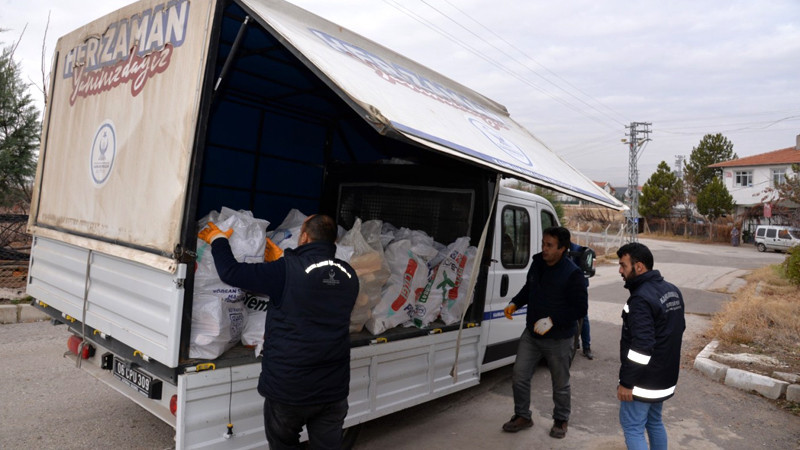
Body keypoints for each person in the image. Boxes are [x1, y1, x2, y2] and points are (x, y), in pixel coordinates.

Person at [198, 214, 359, 449]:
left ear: (303, 236)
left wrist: (219, 240)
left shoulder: (286, 271)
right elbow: (316, 294)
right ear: (333, 240)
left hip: (289, 389)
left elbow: (231, 272)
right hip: (333, 389)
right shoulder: (348, 275)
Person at [501, 226, 588, 439]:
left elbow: (580, 309)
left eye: (549, 245)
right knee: (519, 375)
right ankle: (523, 416)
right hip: (532, 334)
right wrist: (515, 303)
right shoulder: (538, 262)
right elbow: (529, 288)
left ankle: (560, 420)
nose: (544, 249)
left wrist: (553, 321)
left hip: (559, 338)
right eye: (543, 244)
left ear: (562, 249)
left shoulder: (573, 274)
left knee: (560, 383)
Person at [616, 242, 685, 450]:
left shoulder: (640, 299)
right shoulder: (672, 291)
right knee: (654, 422)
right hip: (664, 377)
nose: (620, 271)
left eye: (623, 265)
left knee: (633, 427)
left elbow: (642, 346)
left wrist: (627, 382)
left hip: (642, 381)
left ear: (639, 267)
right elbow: (678, 330)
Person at [569, 241, 593, 360]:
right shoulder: (560, 249)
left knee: (583, 316)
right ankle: (575, 342)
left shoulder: (579, 250)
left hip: (579, 287)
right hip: (565, 286)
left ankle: (587, 347)